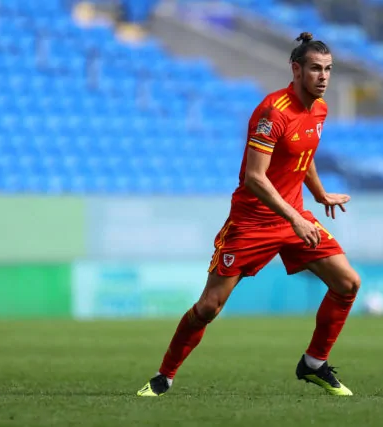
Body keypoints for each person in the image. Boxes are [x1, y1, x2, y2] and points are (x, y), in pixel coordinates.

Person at [137, 32, 361, 397]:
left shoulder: (319, 109)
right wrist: (295, 219)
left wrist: (319, 194)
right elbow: (255, 178)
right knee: (209, 307)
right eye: (315, 68)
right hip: (252, 222)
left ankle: (314, 363)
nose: (323, 76)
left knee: (348, 283)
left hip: (294, 216)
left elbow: (302, 153)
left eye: (328, 69)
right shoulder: (273, 112)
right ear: (296, 69)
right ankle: (165, 375)